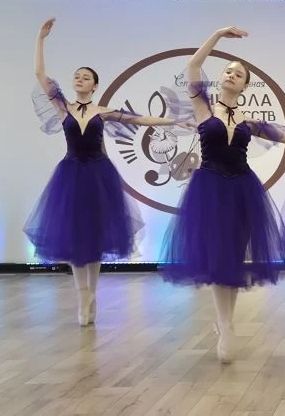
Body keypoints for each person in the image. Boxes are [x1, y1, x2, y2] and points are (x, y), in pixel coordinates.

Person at [160, 25, 285, 363]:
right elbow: (193, 65)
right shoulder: (204, 109)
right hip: (210, 188)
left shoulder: (248, 121)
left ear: (245, 86)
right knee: (218, 255)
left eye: (239, 74)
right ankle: (224, 324)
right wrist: (218, 34)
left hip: (242, 188)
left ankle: (227, 322)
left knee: (234, 256)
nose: (232, 75)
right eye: (228, 71)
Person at [27, 17, 181, 326]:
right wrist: (41, 39)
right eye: (77, 76)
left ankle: (92, 294)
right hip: (71, 175)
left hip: (98, 175)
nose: (79, 79)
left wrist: (176, 122)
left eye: (86, 77)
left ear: (95, 85)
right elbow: (40, 75)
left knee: (95, 235)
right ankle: (82, 296)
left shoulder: (103, 111)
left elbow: (140, 120)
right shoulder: (64, 107)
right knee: (74, 236)